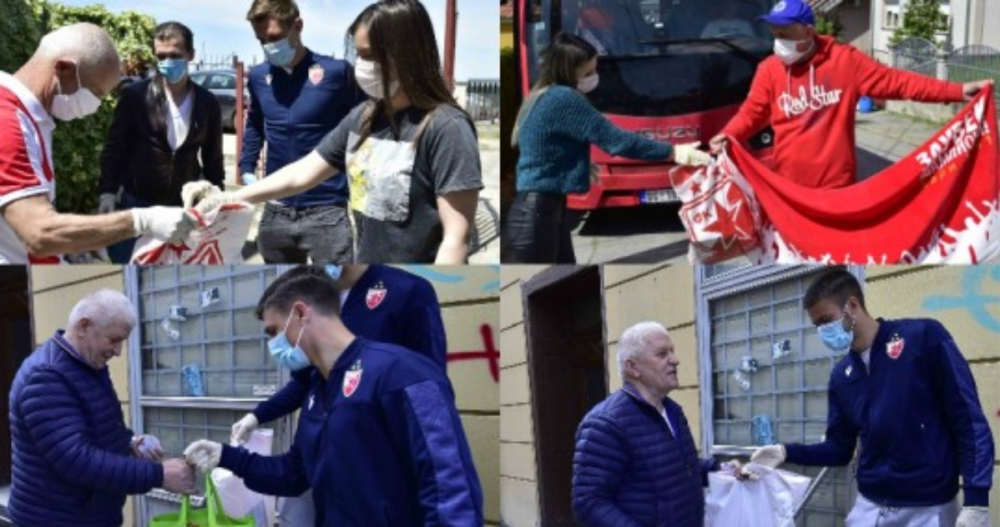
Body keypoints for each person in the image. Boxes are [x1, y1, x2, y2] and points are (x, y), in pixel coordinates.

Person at [188, 0, 482, 265]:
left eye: (370, 55)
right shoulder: (364, 118)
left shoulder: (447, 128)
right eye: (359, 54)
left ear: (406, 54)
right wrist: (226, 198)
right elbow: (302, 173)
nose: (362, 65)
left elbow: (456, 240)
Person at [184, 266, 482, 526]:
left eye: (274, 331)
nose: (273, 345)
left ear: (300, 313)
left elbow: (451, 493)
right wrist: (227, 456)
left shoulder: (403, 373)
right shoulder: (318, 391)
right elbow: (294, 473)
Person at [745, 268, 994, 527]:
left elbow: (969, 422)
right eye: (816, 326)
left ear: (852, 305)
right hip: (870, 506)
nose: (822, 332)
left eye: (825, 321)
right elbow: (839, 449)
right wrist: (785, 452)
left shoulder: (922, 338)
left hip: (927, 507)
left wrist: (976, 500)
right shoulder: (843, 376)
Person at [709, 0, 993, 188]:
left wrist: (957, 90)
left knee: (835, 267)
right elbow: (752, 113)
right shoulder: (769, 70)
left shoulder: (845, 61)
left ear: (808, 31)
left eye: (785, 33)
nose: (778, 41)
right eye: (774, 33)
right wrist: (729, 134)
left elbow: (899, 82)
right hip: (789, 188)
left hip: (838, 189)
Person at [0, 23, 196, 264]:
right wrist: (142, 221)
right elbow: (39, 233)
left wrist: (73, 244)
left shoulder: (30, 118)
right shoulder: (7, 120)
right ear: (64, 69)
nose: (94, 107)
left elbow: (20, 223)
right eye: (96, 93)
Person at [8, 290, 197, 526]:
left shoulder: (87, 364)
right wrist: (159, 475)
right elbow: (75, 460)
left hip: (87, 514)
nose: (118, 351)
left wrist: (129, 442)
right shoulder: (46, 376)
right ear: (84, 327)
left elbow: (98, 424)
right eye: (114, 339)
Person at [503, 33, 679, 264]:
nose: (594, 77)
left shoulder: (542, 94)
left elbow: (543, 149)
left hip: (542, 210)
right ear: (568, 71)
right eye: (587, 73)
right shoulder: (564, 99)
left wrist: (582, 164)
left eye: (594, 70)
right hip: (537, 214)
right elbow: (617, 140)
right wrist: (674, 152)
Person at [240, 0, 365, 265]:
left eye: (274, 37)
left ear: (297, 25)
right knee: (285, 287)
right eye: (261, 40)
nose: (268, 46)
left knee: (335, 286)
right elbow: (254, 122)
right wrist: (247, 167)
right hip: (276, 210)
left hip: (327, 209)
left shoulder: (336, 72)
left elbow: (363, 126)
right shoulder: (259, 76)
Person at [573, 322, 730, 526]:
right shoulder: (605, 423)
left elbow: (676, 467)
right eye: (662, 354)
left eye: (672, 351)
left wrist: (717, 469)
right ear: (633, 367)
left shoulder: (673, 411)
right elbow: (589, 503)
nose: (675, 360)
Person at [99, 21, 225, 264]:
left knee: (176, 265)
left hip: (182, 208)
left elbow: (213, 159)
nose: (168, 62)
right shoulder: (135, 96)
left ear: (190, 54)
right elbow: (114, 148)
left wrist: (216, 200)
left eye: (175, 55)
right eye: (161, 56)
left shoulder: (207, 103)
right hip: (137, 206)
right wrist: (106, 191)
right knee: (128, 265)